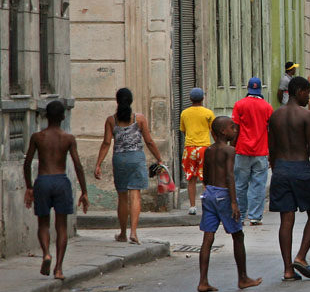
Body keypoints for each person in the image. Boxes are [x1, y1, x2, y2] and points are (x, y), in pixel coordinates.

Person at [24, 101, 89, 279]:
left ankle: (46, 253)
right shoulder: (68, 139)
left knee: (43, 224)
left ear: (46, 116)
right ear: (62, 117)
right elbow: (78, 165)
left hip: (43, 181)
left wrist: (29, 186)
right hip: (61, 182)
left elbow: (27, 162)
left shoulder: (38, 137)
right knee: (61, 226)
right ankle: (59, 268)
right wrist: (84, 191)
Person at [196, 116, 262, 292]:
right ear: (223, 131)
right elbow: (230, 177)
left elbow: (206, 174)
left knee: (208, 237)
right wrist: (234, 202)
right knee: (238, 235)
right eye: (232, 128)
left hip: (209, 192)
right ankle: (243, 278)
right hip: (224, 194)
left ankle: (203, 281)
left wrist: (210, 191)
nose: (236, 130)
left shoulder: (209, 150)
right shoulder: (229, 151)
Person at [269, 77, 310, 282]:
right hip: (301, 168)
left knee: (286, 219)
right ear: (299, 91)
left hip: (281, 169)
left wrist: (277, 170)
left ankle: (287, 270)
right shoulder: (305, 115)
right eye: (306, 92)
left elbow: (272, 149)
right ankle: (300, 256)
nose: (308, 96)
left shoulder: (275, 115)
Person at [94, 88, 163, 245]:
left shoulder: (111, 120)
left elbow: (106, 143)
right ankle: (134, 232)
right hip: (136, 158)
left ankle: (123, 233)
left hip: (119, 160)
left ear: (117, 101)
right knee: (135, 195)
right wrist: (159, 158)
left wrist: (98, 164)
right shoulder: (139, 119)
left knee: (122, 197)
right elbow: (149, 141)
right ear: (131, 101)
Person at [232, 78, 274, 226]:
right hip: (261, 152)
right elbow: (271, 131)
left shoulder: (239, 105)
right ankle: (255, 216)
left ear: (248, 88)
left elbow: (235, 129)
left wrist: (233, 147)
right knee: (258, 185)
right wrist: (270, 152)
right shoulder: (267, 107)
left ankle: (240, 215)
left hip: (242, 150)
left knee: (240, 185)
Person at [179, 87, 216, 215]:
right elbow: (213, 130)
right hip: (204, 148)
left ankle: (192, 206)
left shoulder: (184, 113)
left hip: (189, 148)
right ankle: (206, 205)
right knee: (206, 178)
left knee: (191, 178)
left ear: (190, 99)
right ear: (203, 98)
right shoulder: (208, 113)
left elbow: (183, 130)